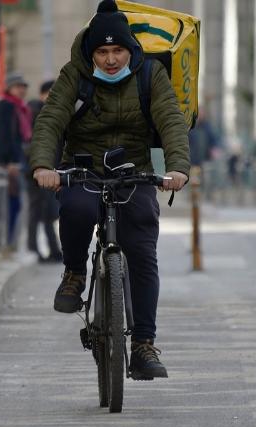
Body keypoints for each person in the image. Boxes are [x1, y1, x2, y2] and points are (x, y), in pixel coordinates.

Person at [29, 0, 190, 380]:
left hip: (134, 171)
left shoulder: (150, 75)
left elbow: (170, 120)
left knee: (142, 250)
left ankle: (144, 345)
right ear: (91, 53)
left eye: (118, 50)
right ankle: (73, 273)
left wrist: (178, 167)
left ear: (130, 49)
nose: (111, 59)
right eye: (102, 52)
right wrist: (42, 166)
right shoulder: (75, 75)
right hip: (83, 167)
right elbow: (51, 120)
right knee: (77, 211)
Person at [0, 73, 32, 247]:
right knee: (11, 203)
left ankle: (6, 240)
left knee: (11, 202)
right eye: (18, 86)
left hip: (10, 161)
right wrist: (10, 162)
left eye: (24, 86)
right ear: (9, 88)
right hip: (7, 163)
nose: (22, 90)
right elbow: (6, 136)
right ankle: (5, 241)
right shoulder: (7, 106)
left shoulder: (18, 107)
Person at [27, 80, 63, 263]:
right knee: (39, 211)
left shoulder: (55, 112)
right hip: (37, 170)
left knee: (48, 212)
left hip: (50, 169)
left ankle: (53, 249)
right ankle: (33, 247)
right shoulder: (36, 110)